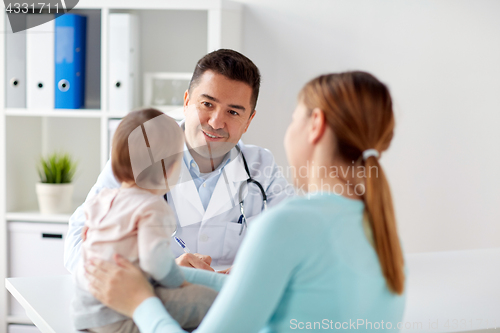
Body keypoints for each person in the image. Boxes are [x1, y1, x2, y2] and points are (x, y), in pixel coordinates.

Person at [85, 71, 407, 332]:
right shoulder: (381, 230)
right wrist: (171, 273)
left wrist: (140, 302)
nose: (215, 122)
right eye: (207, 105)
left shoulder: (285, 223)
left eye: (293, 119)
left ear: (315, 125)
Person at [64, 49, 294, 274]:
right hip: (153, 300)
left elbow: (297, 241)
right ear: (186, 102)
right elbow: (78, 243)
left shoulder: (261, 166)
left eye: (233, 112)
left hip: (230, 302)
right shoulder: (141, 151)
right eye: (207, 104)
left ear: (248, 121)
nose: (215, 122)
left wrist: (254, 272)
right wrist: (158, 273)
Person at [72, 109, 218, 332]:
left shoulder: (102, 200)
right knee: (210, 301)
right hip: (120, 314)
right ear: (170, 170)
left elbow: (88, 243)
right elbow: (155, 263)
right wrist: (181, 282)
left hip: (85, 311)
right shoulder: (152, 207)